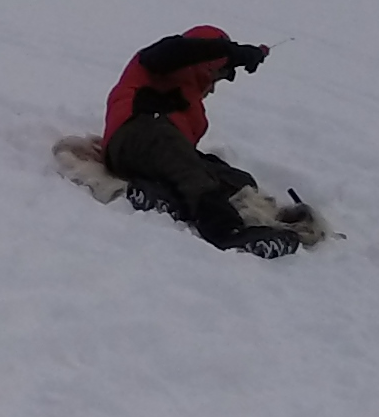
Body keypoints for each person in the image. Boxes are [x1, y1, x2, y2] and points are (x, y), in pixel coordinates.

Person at [103, 25, 302, 253]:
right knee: (193, 176)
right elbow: (179, 50)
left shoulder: (191, 106)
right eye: (217, 75)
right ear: (206, 64)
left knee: (234, 179)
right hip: (136, 135)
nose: (213, 88)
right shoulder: (160, 63)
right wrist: (233, 53)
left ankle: (158, 196)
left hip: (154, 150)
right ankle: (227, 233)